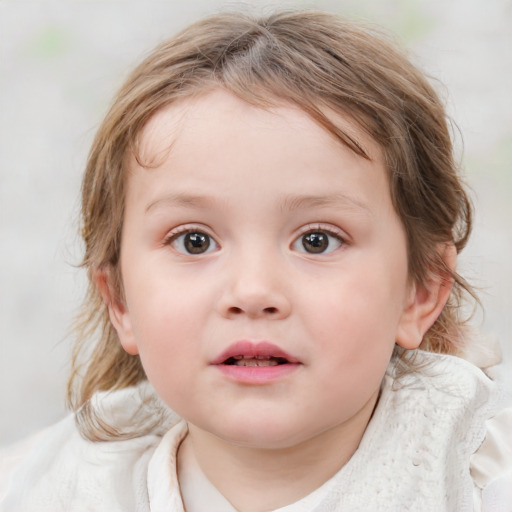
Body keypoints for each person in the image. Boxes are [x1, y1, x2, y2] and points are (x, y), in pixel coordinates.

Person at [1, 9, 511, 512]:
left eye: (317, 241)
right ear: (120, 302)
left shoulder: (479, 481)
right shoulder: (44, 488)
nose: (252, 292)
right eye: (194, 242)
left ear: (420, 290)